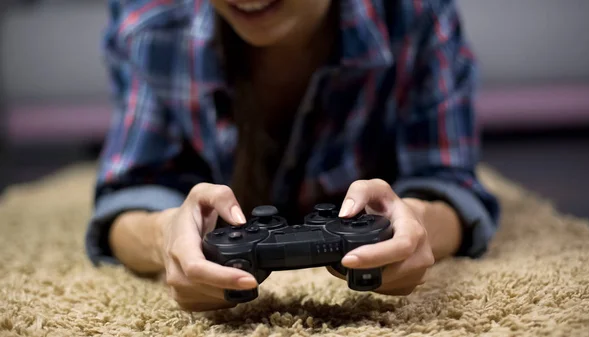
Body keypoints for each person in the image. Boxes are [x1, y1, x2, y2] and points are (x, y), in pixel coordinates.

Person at [86, 0, 500, 312]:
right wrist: (165, 235)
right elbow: (128, 196)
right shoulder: (151, 24)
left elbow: (450, 184)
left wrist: (418, 222)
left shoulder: (417, 13)